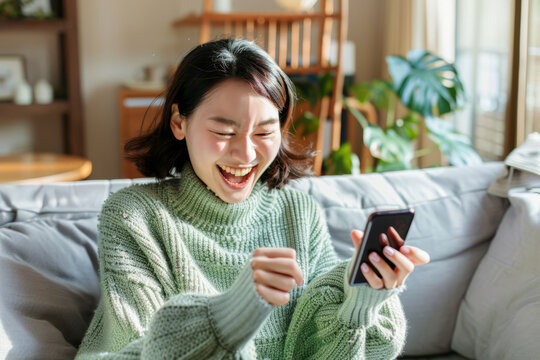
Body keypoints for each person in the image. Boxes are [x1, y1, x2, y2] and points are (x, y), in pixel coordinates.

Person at [76, 38, 430, 360]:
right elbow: (133, 350)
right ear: (179, 122)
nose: (245, 153)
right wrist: (232, 313)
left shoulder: (298, 212)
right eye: (223, 131)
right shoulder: (135, 217)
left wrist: (359, 302)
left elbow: (316, 350)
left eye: (264, 131)